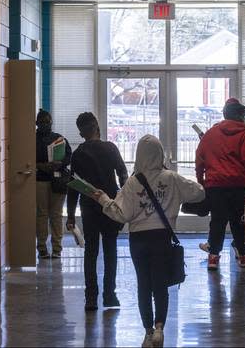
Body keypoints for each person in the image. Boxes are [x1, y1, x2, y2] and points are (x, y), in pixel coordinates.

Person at [93, 135, 205, 348]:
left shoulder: (133, 182)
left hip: (139, 240)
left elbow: (121, 214)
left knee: (144, 285)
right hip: (162, 238)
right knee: (160, 285)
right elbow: (199, 193)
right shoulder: (172, 178)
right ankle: (160, 329)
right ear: (160, 154)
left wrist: (104, 200)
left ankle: (147, 332)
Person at [66, 112, 128, 311]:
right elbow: (123, 174)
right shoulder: (110, 148)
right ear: (96, 126)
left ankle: (90, 298)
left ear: (81, 132)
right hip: (109, 205)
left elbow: (73, 186)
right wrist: (123, 198)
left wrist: (69, 216)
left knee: (91, 252)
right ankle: (110, 295)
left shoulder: (78, 154)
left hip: (88, 207)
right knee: (110, 251)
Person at [196, 98, 245, 270]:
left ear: (225, 114)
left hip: (215, 186)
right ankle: (243, 256)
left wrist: (201, 181)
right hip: (240, 186)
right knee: (239, 221)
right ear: (240, 115)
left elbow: (200, 159)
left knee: (217, 221)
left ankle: (213, 257)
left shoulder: (210, 134)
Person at [35, 109, 72, 259]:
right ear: (36, 123)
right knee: (42, 214)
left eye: (48, 121)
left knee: (56, 215)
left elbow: (69, 156)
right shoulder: (31, 139)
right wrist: (40, 165)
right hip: (40, 180)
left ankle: (57, 248)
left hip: (58, 180)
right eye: (42, 121)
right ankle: (42, 247)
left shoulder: (59, 139)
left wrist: (59, 164)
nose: (45, 124)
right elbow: (25, 159)